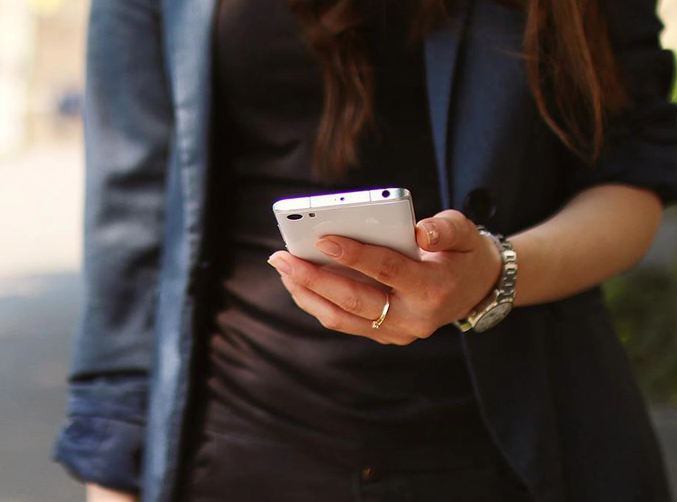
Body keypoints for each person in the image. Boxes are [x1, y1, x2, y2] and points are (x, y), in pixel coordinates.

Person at [54, 0, 677, 500]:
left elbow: (632, 173)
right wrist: (114, 471)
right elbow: (131, 224)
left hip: (526, 445)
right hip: (236, 445)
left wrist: (495, 273)